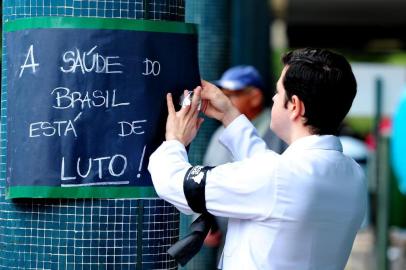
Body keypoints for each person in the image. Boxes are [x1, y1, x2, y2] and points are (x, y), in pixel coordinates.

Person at [148, 48, 367, 269]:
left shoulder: (277, 177)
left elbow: (174, 183)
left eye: (278, 92)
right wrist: (228, 115)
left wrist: (174, 140)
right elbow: (271, 179)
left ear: (295, 106)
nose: (273, 98)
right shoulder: (353, 174)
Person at [202, 65, 287, 266]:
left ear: (255, 97)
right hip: (227, 239)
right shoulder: (219, 133)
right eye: (222, 94)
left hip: (269, 243)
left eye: (230, 95)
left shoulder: (280, 133)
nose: (223, 100)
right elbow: (204, 178)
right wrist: (204, 220)